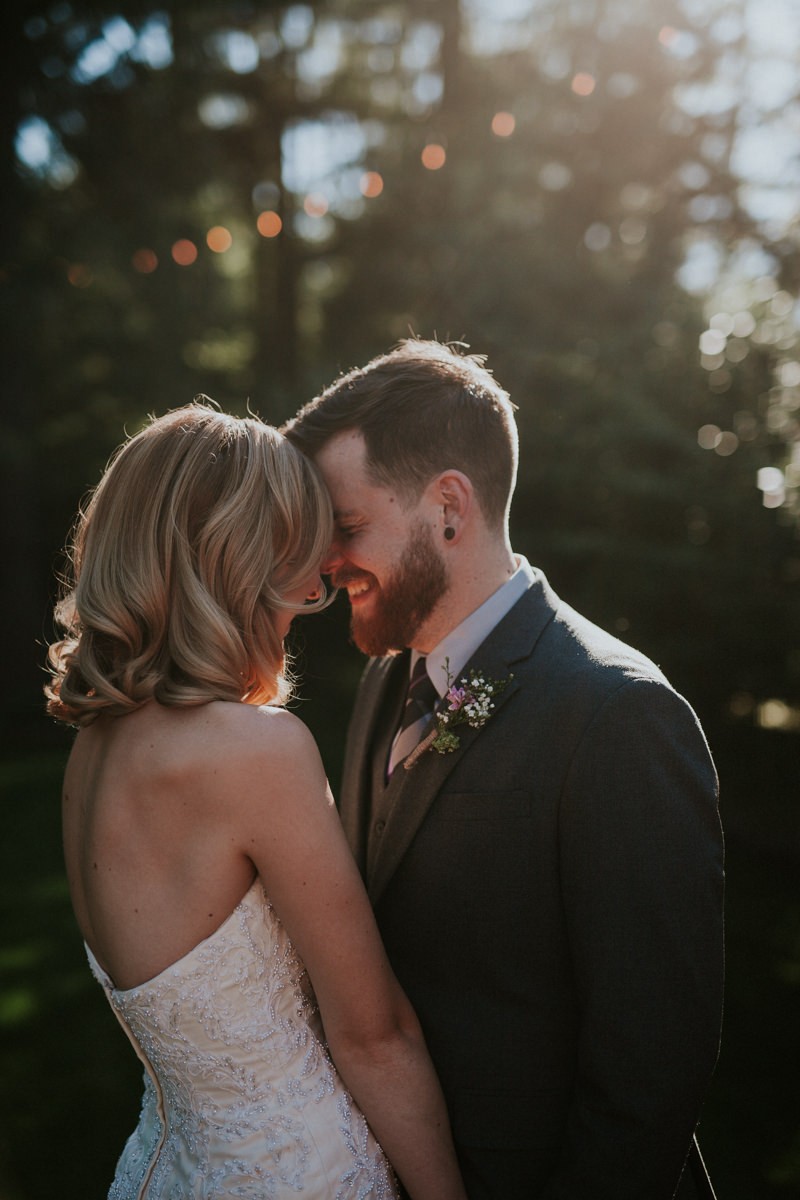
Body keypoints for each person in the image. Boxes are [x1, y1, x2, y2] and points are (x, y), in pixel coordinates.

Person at [283, 339, 725, 1200]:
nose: (324, 567)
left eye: (345, 528)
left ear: (449, 506)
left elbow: (649, 1076)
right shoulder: (384, 684)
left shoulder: (618, 715)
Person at [45, 402, 467, 1200]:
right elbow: (375, 1036)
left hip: (164, 1171)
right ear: (232, 562)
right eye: (295, 566)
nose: (314, 589)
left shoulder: (90, 754)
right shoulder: (254, 751)